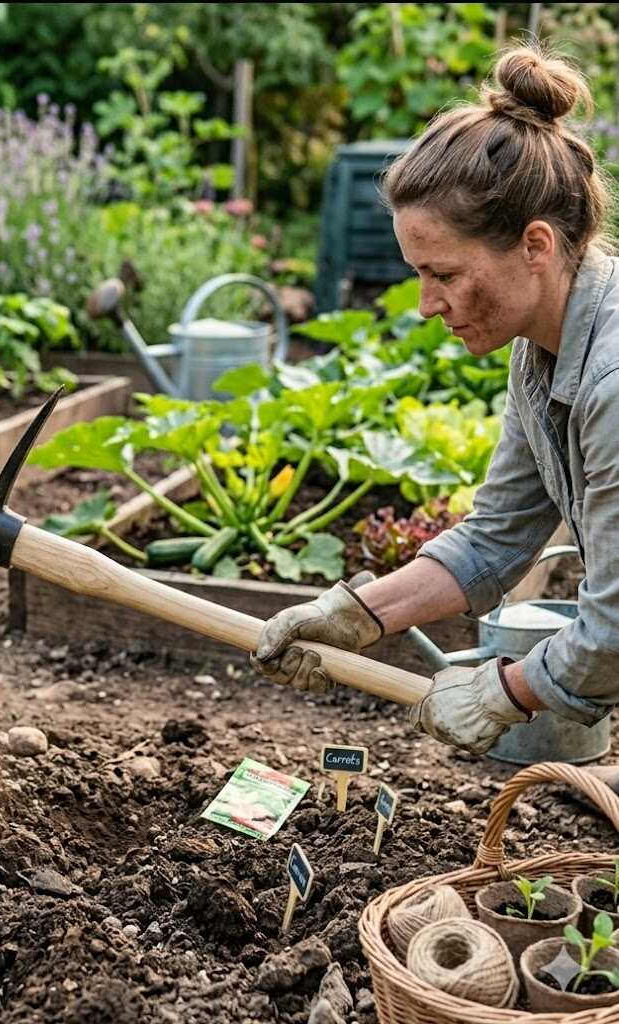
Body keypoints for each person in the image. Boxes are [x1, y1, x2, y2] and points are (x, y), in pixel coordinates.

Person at [252, 44, 619, 755]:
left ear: (535, 244)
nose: (425, 305)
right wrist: (354, 614)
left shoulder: (611, 379)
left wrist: (501, 692)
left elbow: (614, 629)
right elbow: (497, 535)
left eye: (442, 273)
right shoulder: (539, 353)